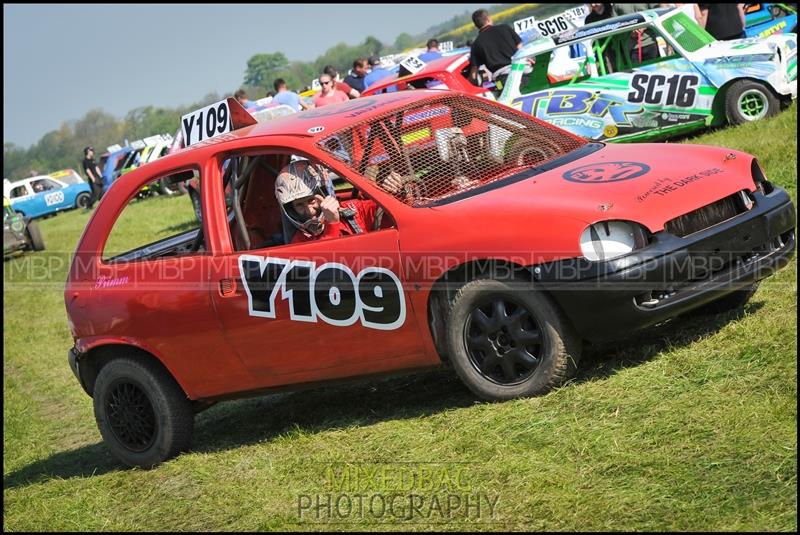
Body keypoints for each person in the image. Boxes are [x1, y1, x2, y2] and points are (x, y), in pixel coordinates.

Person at [274, 160, 400, 243]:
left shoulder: (353, 211)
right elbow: (327, 265)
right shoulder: (299, 241)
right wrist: (332, 224)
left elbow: (391, 213)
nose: (310, 211)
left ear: (325, 193)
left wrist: (394, 191)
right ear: (290, 209)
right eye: (299, 205)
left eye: (312, 200)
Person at [467, 9, 522, 90]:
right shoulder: (505, 27)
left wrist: (471, 83)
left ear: (476, 26)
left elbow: (473, 75)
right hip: (523, 69)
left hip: (501, 80)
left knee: (499, 91)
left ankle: (499, 91)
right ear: (488, 19)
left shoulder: (476, 44)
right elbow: (520, 47)